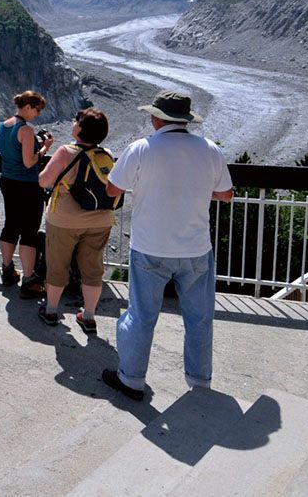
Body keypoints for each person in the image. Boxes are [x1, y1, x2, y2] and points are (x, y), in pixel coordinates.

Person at [101, 91, 234, 401]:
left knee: (142, 315)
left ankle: (132, 379)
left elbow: (112, 189)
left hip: (150, 246)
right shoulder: (209, 149)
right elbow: (226, 194)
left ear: (157, 118)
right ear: (186, 120)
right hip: (195, 248)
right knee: (199, 318)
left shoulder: (141, 148)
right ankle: (199, 381)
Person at [38, 109, 116, 330]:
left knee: (58, 265)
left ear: (81, 129)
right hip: (101, 220)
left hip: (65, 220)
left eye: (77, 121)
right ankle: (88, 316)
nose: (73, 123)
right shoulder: (106, 154)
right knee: (92, 269)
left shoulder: (65, 152)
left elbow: (44, 181)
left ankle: (51, 310)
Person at [0, 91, 54, 296]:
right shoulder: (26, 130)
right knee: (29, 231)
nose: (37, 114)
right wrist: (45, 148)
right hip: (27, 185)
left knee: (11, 225)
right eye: (37, 110)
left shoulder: (5, 125)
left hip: (8, 180)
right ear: (28, 107)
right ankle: (29, 280)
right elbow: (29, 162)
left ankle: (7, 270)